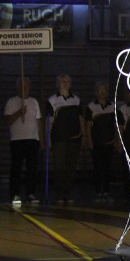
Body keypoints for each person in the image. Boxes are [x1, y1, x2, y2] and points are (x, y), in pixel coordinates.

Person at [4, 77, 43, 206]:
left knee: (32, 168)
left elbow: (38, 121)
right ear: (17, 87)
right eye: (21, 86)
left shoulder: (34, 102)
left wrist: (41, 139)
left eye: (26, 86)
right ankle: (15, 193)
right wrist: (19, 113)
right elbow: (8, 121)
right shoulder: (11, 102)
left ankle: (31, 193)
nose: (24, 88)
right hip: (17, 140)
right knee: (16, 168)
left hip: (32, 139)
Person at [46, 73, 82, 205]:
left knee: (71, 167)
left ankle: (68, 192)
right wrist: (48, 139)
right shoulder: (52, 100)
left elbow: (80, 119)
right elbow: (49, 121)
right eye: (62, 81)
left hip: (74, 138)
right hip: (58, 138)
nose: (65, 84)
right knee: (59, 167)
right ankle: (60, 193)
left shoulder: (76, 100)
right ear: (57, 84)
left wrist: (82, 134)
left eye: (67, 81)